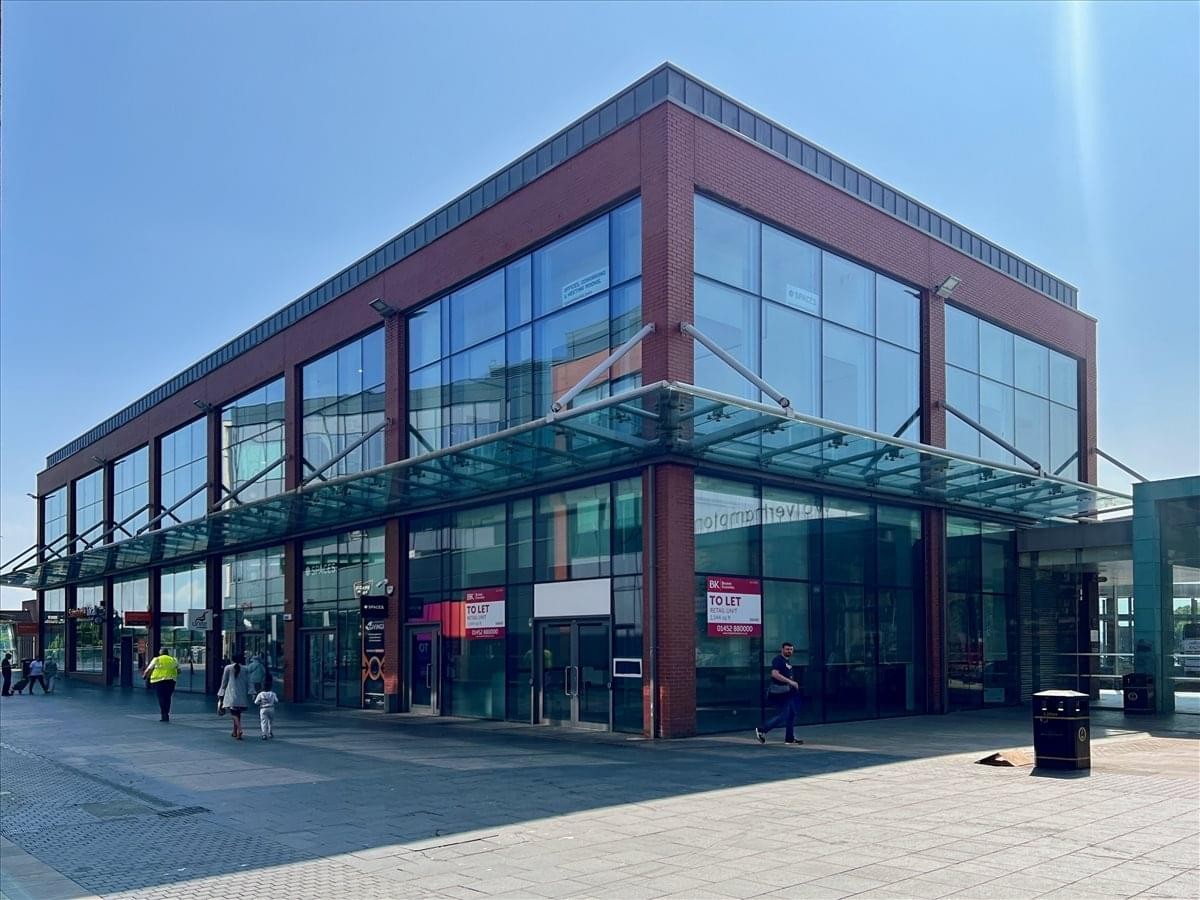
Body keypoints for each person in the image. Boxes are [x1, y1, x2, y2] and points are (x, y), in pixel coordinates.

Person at [755, 641, 803, 746]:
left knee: (791, 714)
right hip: (781, 692)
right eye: (787, 649)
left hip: (788, 692)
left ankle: (789, 738)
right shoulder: (778, 660)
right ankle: (762, 730)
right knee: (784, 715)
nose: (789, 651)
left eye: (791, 649)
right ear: (782, 650)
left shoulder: (787, 662)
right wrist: (790, 682)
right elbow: (775, 674)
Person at [217, 654, 251, 740]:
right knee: (238, 713)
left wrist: (221, 692)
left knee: (233, 713)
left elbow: (224, 682)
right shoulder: (245, 669)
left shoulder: (228, 668)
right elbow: (249, 681)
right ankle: (235, 732)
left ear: (232, 660)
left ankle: (239, 729)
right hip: (242, 693)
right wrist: (252, 691)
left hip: (231, 693)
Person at [142, 649, 180, 722]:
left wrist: (144, 676)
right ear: (167, 653)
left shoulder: (157, 659)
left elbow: (149, 669)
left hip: (159, 682)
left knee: (161, 697)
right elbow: (179, 671)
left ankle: (164, 714)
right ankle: (167, 713)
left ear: (160, 653)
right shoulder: (173, 660)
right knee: (168, 697)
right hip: (171, 681)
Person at [254, 675, 279, 741]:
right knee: (270, 721)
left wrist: (261, 702)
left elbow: (256, 702)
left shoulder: (260, 694)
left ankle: (264, 734)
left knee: (263, 722)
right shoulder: (273, 693)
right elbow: (276, 701)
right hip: (271, 708)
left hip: (263, 708)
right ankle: (270, 732)